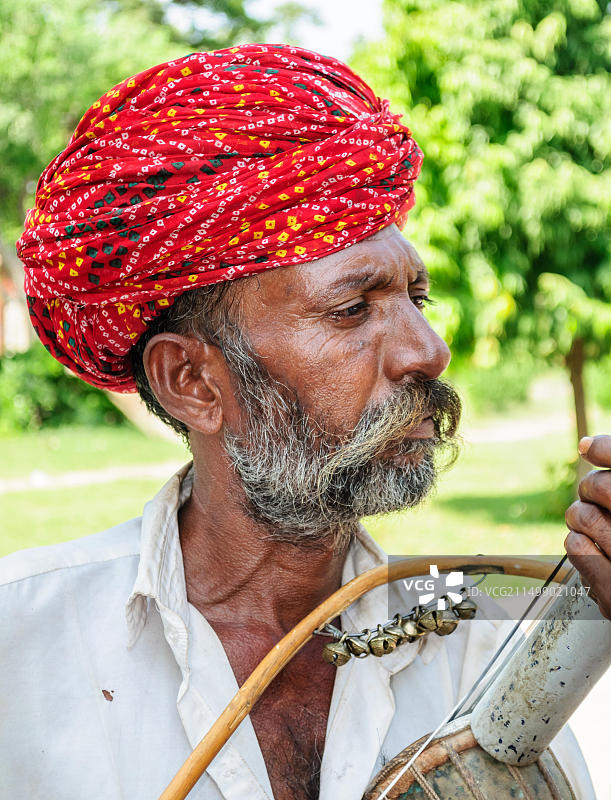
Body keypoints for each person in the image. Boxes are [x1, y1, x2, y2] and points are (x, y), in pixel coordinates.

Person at [1, 44, 609, 800]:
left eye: (415, 300)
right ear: (191, 381)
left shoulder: (472, 635)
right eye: (352, 309)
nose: (429, 350)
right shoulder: (18, 647)